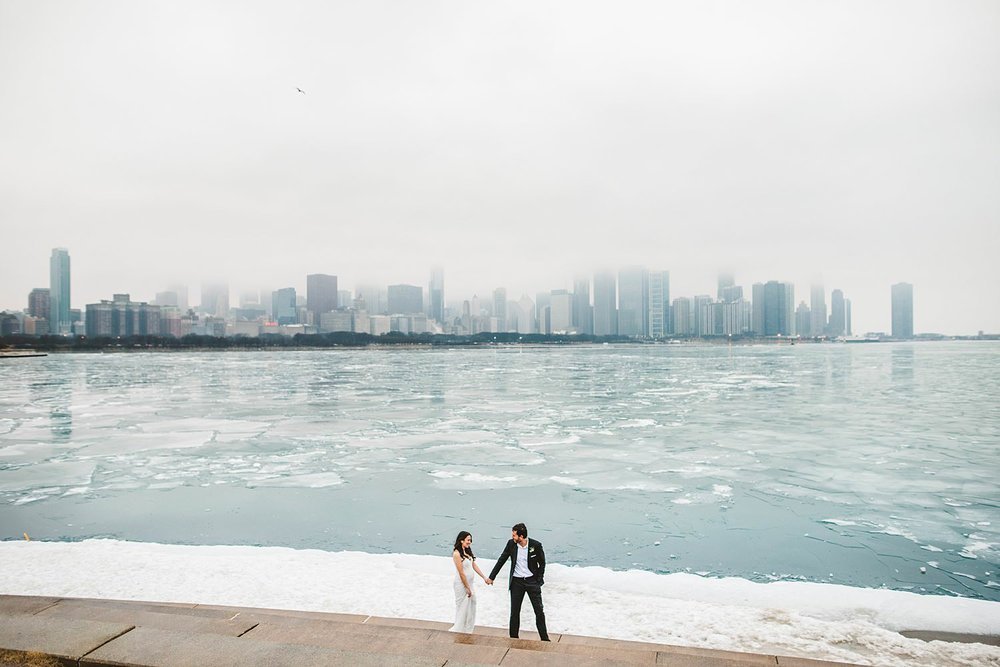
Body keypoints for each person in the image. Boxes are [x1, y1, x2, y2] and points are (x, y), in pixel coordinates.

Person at [485, 522, 549, 641]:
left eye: (514, 535)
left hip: (532, 582)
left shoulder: (536, 545)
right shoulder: (511, 544)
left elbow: (542, 563)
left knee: (539, 611)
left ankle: (545, 639)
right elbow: (502, 559)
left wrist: (539, 580)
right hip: (516, 583)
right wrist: (491, 577)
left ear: (521, 536)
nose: (512, 537)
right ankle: (513, 638)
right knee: (515, 612)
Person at [449, 530, 488, 633]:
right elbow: (461, 572)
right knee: (462, 606)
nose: (470, 542)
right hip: (461, 584)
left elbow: (473, 565)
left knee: (471, 605)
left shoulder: (467, 551)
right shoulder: (456, 554)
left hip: (470, 584)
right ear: (461, 540)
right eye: (468, 540)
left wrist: (484, 577)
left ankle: (468, 628)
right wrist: (467, 587)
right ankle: (459, 628)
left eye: (470, 540)